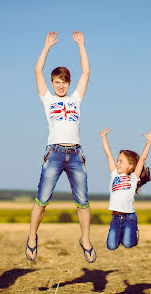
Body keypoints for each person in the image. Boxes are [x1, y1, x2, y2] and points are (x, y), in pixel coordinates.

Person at [26, 31, 96, 263]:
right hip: (54, 153)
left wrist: (81, 45)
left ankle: (85, 240)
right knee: (42, 198)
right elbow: (37, 71)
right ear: (53, 83)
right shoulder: (48, 99)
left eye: (64, 82)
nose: (60, 86)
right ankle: (32, 237)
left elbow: (86, 71)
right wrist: (46, 46)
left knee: (83, 201)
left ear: (68, 83)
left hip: (76, 154)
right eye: (57, 82)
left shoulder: (76, 99)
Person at [100, 128, 151, 250]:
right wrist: (103, 137)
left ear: (130, 165)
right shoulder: (114, 174)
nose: (117, 163)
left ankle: (133, 234)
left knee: (128, 244)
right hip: (115, 218)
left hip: (129, 217)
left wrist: (149, 142)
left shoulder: (133, 178)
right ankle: (121, 235)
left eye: (121, 161)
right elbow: (108, 154)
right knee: (111, 246)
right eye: (117, 161)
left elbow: (142, 159)